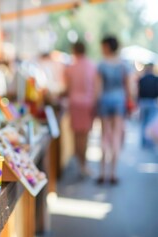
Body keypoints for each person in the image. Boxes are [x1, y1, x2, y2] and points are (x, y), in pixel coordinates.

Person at [97, 36, 130, 184]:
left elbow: (98, 88)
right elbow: (129, 88)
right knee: (116, 137)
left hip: (104, 100)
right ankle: (113, 174)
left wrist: (95, 104)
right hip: (119, 101)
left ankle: (102, 173)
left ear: (107, 47)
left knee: (104, 136)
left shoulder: (102, 65)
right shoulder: (123, 65)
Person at [64, 41, 97, 177]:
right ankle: (83, 164)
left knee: (77, 136)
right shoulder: (92, 66)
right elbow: (96, 87)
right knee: (85, 135)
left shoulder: (71, 68)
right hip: (88, 104)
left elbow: (67, 88)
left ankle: (80, 164)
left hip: (75, 104)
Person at [137, 63, 158, 148]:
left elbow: (139, 91)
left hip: (143, 102)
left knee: (144, 122)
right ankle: (148, 141)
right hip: (152, 102)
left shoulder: (142, 78)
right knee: (149, 122)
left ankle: (144, 141)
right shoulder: (155, 79)